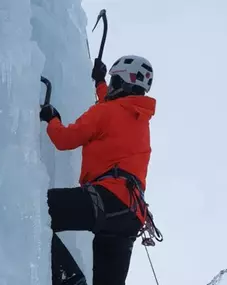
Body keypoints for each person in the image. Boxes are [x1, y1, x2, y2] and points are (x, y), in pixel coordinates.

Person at [40, 55, 156, 285]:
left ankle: (70, 279)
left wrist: (51, 119)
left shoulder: (105, 113)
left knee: (37, 210)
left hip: (107, 199)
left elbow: (64, 140)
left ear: (122, 85)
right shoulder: (139, 118)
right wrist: (100, 82)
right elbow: (114, 106)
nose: (111, 86)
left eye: (115, 81)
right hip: (130, 216)